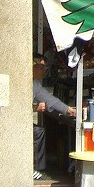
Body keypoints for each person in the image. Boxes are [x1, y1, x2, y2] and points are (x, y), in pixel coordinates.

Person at [32, 52, 76, 180]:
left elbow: (49, 99)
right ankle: (34, 169)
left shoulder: (35, 84)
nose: (44, 71)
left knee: (39, 130)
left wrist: (68, 110)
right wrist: (34, 108)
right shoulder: (22, 82)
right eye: (41, 67)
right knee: (38, 132)